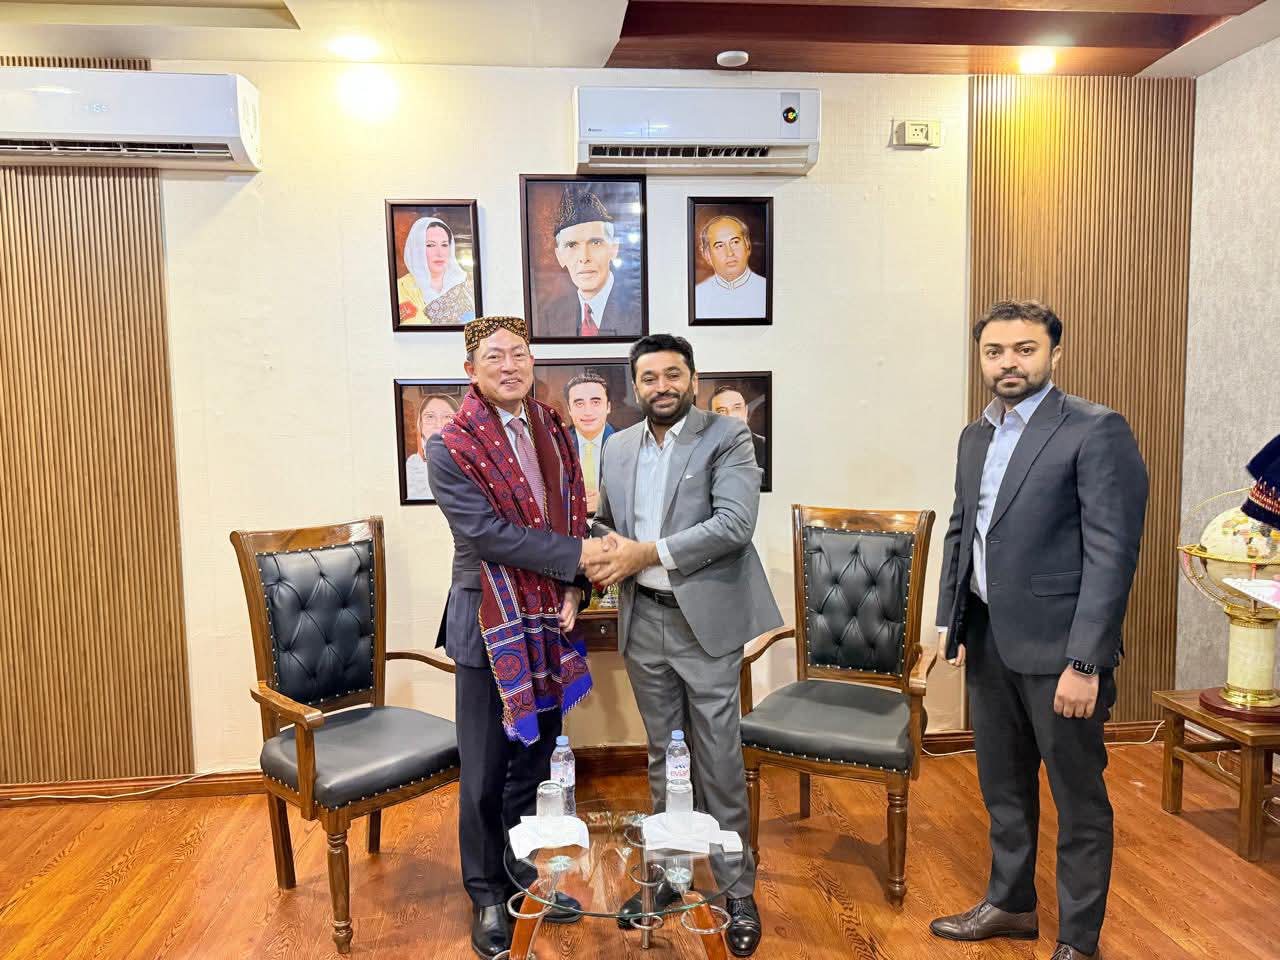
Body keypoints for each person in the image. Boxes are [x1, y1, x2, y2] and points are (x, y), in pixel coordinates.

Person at [931, 300, 1148, 960]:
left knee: (1078, 800)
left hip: (1062, 652)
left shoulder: (1095, 429)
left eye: (1024, 350)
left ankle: (1079, 939)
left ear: (1055, 353)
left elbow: (1112, 555)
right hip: (989, 639)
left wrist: (1086, 662)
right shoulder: (975, 436)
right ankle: (1012, 903)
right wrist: (952, 623)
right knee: (1002, 786)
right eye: (994, 351)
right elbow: (963, 530)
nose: (1009, 363)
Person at [583, 333, 781, 958]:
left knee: (718, 756)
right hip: (643, 618)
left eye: (673, 374)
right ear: (634, 386)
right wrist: (594, 543)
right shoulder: (617, 446)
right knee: (663, 753)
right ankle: (670, 875)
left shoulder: (727, 437)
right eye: (649, 377)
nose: (662, 386)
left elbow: (733, 525)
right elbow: (608, 521)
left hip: (705, 622)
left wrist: (645, 552)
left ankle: (735, 888)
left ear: (692, 379)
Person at [427, 315, 613, 958]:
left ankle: (522, 878)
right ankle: (485, 895)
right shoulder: (450, 446)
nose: (509, 365)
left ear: (532, 361)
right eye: (494, 357)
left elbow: (572, 512)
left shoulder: (553, 427)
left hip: (549, 618)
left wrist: (575, 586)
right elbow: (487, 535)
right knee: (484, 772)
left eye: (519, 354)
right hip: (489, 622)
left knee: (536, 765)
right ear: (471, 370)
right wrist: (578, 557)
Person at [539, 187, 642, 338]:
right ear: (560, 256)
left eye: (595, 243)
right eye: (572, 245)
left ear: (614, 248)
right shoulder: (552, 315)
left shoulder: (639, 309)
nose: (584, 257)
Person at [397, 216, 476, 326]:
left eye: (444, 245)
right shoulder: (402, 287)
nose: (439, 253)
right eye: (430, 245)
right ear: (417, 249)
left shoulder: (468, 282)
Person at [693, 215, 767, 320]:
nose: (730, 253)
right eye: (720, 246)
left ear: (748, 245)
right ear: (707, 255)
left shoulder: (766, 289)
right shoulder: (698, 294)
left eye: (735, 242)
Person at [564, 372, 616, 514]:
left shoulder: (630, 445)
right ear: (569, 409)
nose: (588, 412)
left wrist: (607, 503)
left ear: (608, 407)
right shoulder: (554, 446)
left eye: (595, 402)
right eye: (579, 403)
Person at [404, 392, 458, 500]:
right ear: (420, 424)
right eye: (430, 416)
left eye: (447, 416)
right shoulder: (412, 466)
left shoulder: (470, 464)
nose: (438, 424)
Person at [709, 384, 767, 473]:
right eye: (721, 411)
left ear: (746, 412)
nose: (731, 416)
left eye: (736, 408)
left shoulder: (766, 447)